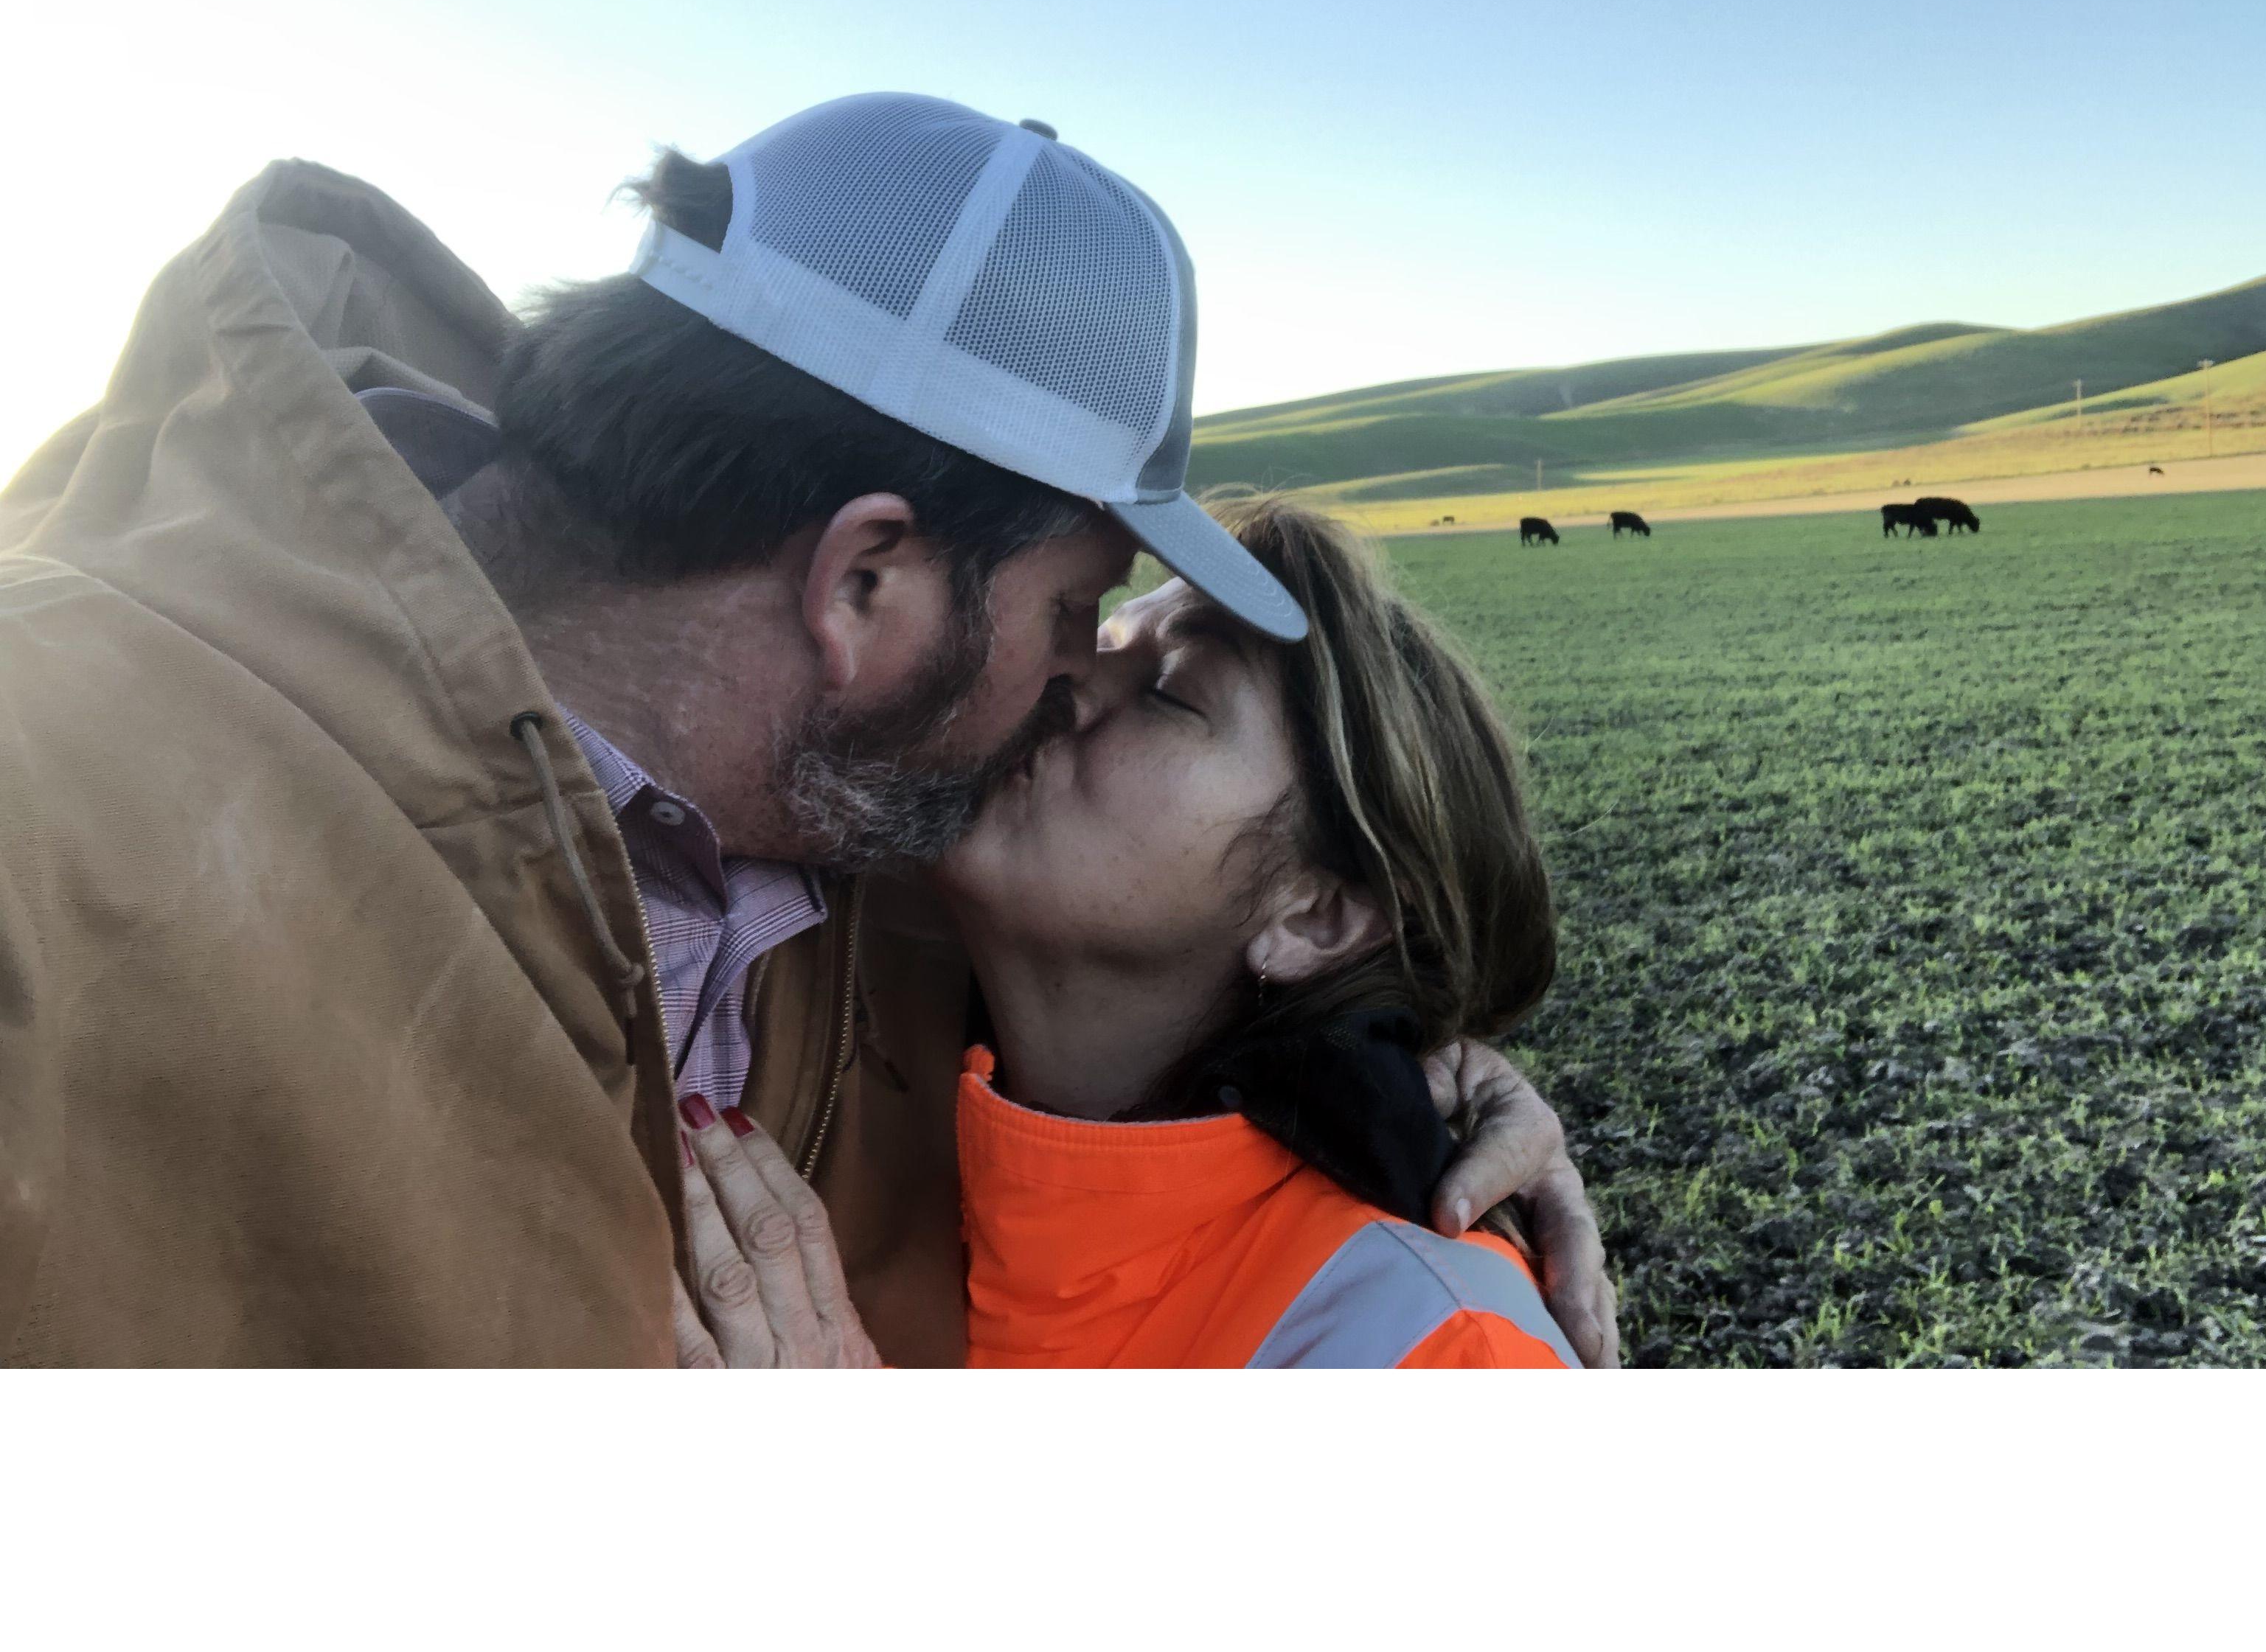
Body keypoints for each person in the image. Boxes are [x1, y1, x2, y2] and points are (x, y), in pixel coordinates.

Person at [0, 93, 1612, 1365]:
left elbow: (1173, 1013)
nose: (1074, 679)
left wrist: (1390, 1088)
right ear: (864, 582)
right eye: (1076, 610)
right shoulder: (53, 826)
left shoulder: (860, 821)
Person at [675, 494, 1599, 1367]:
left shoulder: (1433, 1346)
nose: (1065, 672)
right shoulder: (819, 972)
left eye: (1169, 690)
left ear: (1315, 916)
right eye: (1103, 633)